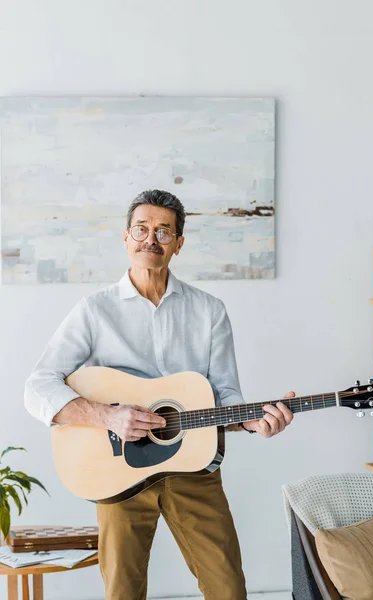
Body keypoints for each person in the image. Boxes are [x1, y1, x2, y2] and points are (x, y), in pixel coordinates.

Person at [24, 189, 294, 600]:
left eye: (164, 232)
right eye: (142, 229)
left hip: (194, 469)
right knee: (123, 592)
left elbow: (225, 398)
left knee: (229, 589)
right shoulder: (94, 310)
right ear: (127, 237)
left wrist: (253, 421)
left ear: (179, 244)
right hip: (117, 474)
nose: (151, 239)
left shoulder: (209, 311)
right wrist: (107, 417)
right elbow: (38, 386)